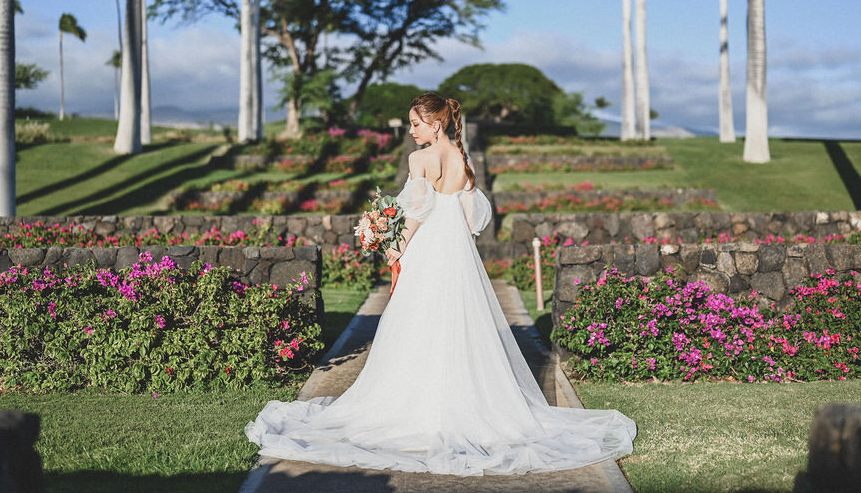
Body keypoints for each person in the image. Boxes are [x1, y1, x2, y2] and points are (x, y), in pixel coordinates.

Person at [245, 93, 636, 476]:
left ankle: (416, 406)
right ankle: (467, 405)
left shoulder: (421, 158)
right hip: (458, 252)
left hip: (430, 248)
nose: (412, 131)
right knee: (459, 326)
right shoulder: (462, 159)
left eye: (416, 124)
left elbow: (415, 212)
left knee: (419, 324)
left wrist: (395, 246)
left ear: (435, 123)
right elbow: (471, 220)